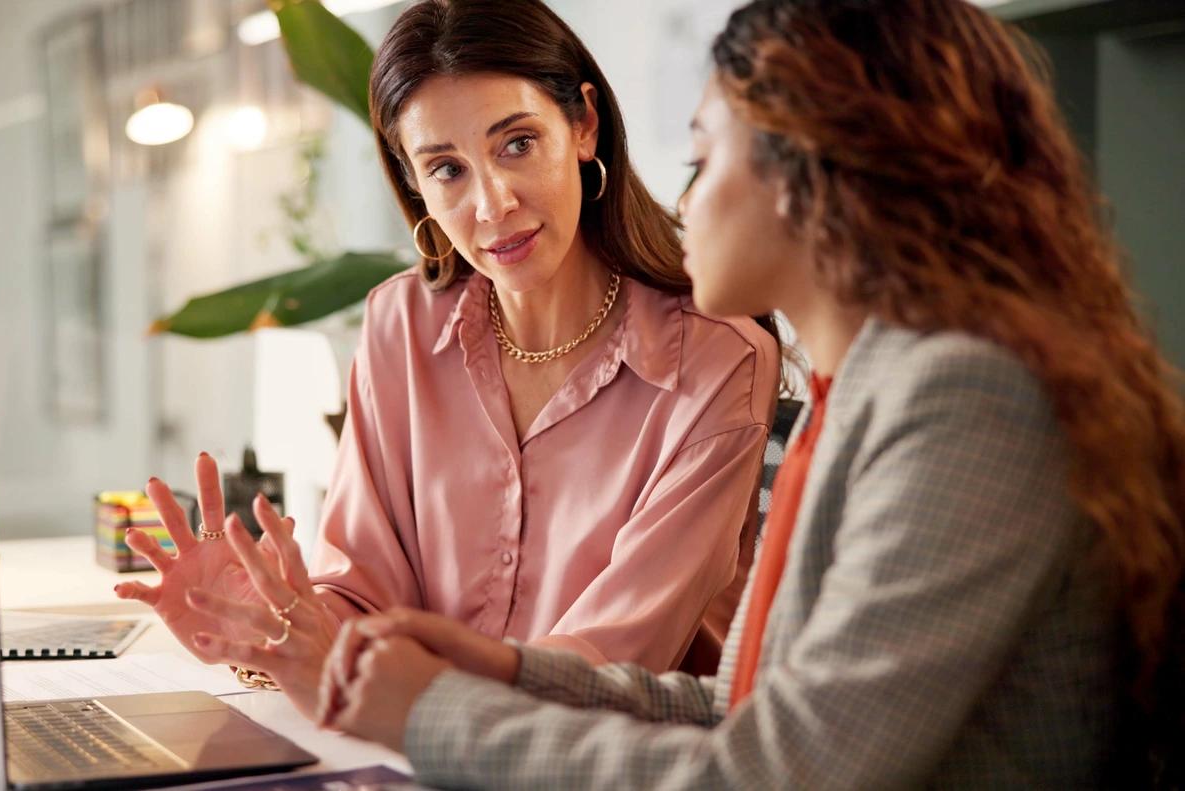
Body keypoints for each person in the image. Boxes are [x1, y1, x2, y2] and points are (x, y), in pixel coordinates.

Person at [311, 0, 1185, 787]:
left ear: (816, 173)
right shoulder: (872, 386)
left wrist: (433, 715)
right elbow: (748, 708)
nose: (685, 201)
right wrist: (503, 670)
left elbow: (779, 768)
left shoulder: (961, 400)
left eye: (704, 157)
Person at [114, 0, 783, 717]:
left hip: (602, 755)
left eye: (518, 143)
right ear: (415, 183)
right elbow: (362, 592)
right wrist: (276, 622)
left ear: (584, 124)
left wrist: (400, 686)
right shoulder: (400, 325)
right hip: (409, 739)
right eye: (446, 169)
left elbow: (612, 663)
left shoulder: (717, 358)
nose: (492, 205)